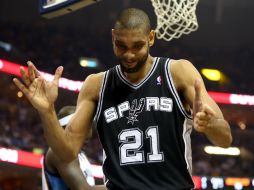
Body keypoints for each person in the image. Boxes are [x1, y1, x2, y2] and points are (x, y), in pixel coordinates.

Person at [13, 8, 232, 190]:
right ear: (113, 38)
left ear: (151, 38)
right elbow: (66, 152)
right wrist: (47, 111)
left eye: (137, 46)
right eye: (121, 46)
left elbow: (225, 139)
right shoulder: (96, 85)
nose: (129, 55)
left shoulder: (178, 72)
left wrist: (212, 125)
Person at [42, 106, 104, 190]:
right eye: (83, 128)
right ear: (64, 128)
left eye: (89, 127)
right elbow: (82, 189)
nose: (89, 134)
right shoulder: (58, 151)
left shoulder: (80, 154)